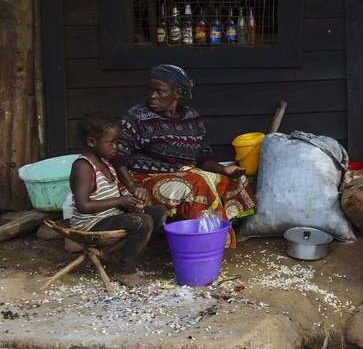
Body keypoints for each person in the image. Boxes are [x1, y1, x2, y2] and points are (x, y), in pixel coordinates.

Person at [112, 64, 256, 248]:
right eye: (151, 91)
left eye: (160, 92)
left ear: (177, 93)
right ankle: (202, 244)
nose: (152, 96)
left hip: (186, 174)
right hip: (143, 181)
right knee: (198, 182)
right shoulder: (137, 116)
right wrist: (131, 185)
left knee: (233, 180)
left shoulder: (192, 118)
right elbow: (118, 155)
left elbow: (203, 157)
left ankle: (209, 231)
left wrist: (223, 169)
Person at [70, 112, 167, 287]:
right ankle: (125, 270)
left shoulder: (107, 161)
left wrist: (136, 198)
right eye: (111, 143)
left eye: (117, 142)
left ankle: (119, 253)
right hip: (90, 223)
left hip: (109, 215)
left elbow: (125, 189)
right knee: (142, 222)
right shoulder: (83, 167)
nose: (116, 147)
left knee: (158, 213)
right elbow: (83, 205)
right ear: (92, 142)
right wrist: (120, 202)